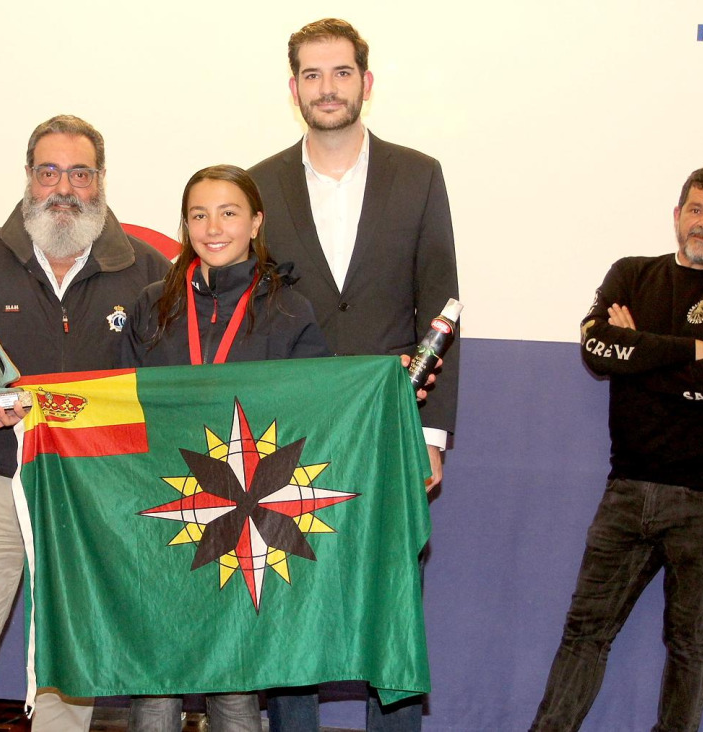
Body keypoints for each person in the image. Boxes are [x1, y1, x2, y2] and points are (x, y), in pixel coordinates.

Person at [0, 115, 170, 732]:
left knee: (69, 654)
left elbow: (169, 385)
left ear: (101, 180)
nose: (63, 188)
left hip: (91, 492)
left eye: (80, 174)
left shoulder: (148, 271)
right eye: (49, 172)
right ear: (28, 177)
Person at [248, 18, 459, 731]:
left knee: (388, 605)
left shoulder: (419, 174)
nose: (327, 88)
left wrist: (430, 434)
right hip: (288, 433)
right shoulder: (259, 184)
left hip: (386, 427)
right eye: (312, 75)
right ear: (294, 88)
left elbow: (442, 304)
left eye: (341, 73)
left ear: (366, 82)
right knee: (289, 606)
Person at [529, 165, 703, 732]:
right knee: (585, 632)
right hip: (628, 489)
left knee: (690, 643)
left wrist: (638, 353)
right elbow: (597, 349)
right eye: (696, 209)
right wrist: (692, 348)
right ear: (676, 214)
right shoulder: (632, 273)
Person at [122, 164, 330, 731]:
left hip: (247, 517)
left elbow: (318, 411)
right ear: (185, 225)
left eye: (228, 212)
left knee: (235, 680)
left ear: (256, 222)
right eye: (198, 215)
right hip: (162, 508)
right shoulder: (152, 304)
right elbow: (120, 403)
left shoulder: (290, 310)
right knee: (156, 677)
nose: (213, 228)